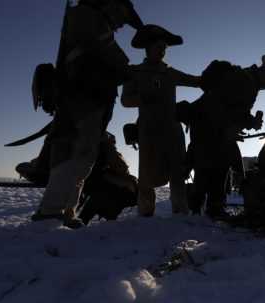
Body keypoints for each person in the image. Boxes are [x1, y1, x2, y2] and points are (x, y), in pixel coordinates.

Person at [33, 0, 143, 228]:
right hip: (82, 99)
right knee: (74, 154)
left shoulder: (91, 19)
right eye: (123, 16)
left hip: (91, 100)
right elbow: (111, 55)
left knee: (83, 157)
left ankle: (65, 211)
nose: (122, 24)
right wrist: (125, 68)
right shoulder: (87, 17)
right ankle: (51, 212)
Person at [188, 54, 265, 218]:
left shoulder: (248, 79)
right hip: (208, 125)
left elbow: (233, 108)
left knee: (210, 165)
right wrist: (249, 122)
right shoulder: (246, 81)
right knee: (216, 165)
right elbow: (230, 109)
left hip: (206, 124)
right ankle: (209, 208)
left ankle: (201, 207)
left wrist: (241, 125)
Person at [121, 24, 202, 217]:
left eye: (164, 48)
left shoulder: (170, 73)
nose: (162, 51)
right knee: (146, 173)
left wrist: (213, 77)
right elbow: (125, 100)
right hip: (148, 130)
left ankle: (181, 211)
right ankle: (146, 213)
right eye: (159, 47)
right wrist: (143, 98)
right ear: (148, 49)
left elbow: (195, 81)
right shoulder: (134, 72)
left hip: (173, 129)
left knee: (178, 171)